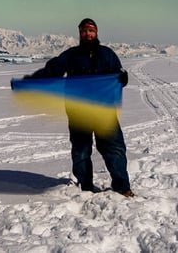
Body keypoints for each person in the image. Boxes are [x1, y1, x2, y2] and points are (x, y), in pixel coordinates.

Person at [25, 18, 134, 196]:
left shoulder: (107, 54)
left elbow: (120, 75)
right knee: (81, 151)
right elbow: (52, 71)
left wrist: (122, 78)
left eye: (90, 31)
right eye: (84, 31)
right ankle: (85, 187)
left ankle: (122, 187)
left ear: (96, 33)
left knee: (114, 149)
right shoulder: (71, 55)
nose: (87, 34)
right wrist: (31, 81)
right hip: (78, 112)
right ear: (80, 34)